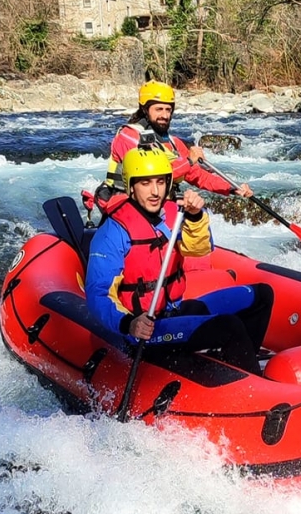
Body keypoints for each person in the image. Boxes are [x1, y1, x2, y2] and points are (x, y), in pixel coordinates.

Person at [85, 147, 273, 372]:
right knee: (229, 326)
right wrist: (128, 323)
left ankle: (236, 369)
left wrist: (195, 216)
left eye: (160, 182)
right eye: (145, 183)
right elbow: (98, 294)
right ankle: (249, 383)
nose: (155, 191)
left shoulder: (174, 212)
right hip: (143, 328)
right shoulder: (112, 232)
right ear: (131, 186)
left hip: (173, 312)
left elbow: (199, 249)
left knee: (262, 295)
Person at [95, 80, 253, 208]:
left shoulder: (174, 142)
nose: (164, 115)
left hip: (158, 206)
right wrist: (189, 161)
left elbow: (198, 176)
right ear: (145, 110)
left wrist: (232, 187)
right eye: (159, 109)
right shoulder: (128, 136)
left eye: (168, 110)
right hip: (127, 206)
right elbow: (152, 175)